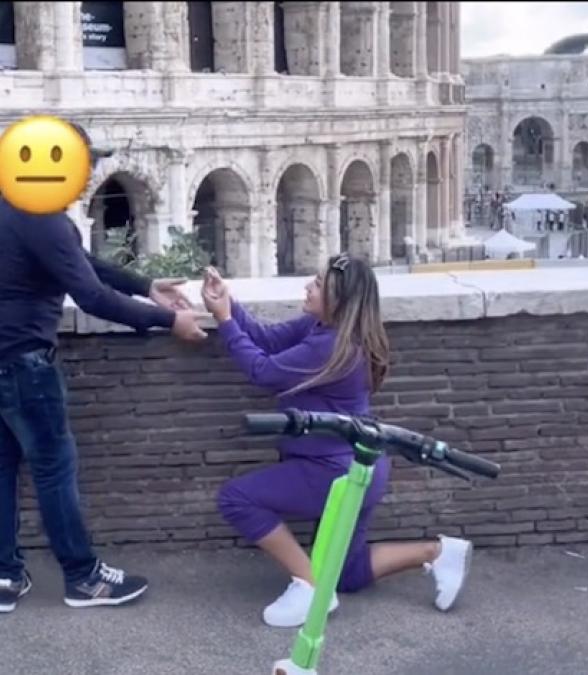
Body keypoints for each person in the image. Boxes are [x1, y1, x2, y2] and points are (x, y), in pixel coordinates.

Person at [0, 125, 210, 614]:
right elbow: (90, 294)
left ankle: (5, 577)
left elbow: (78, 262)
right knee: (54, 470)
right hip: (25, 367)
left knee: (3, 469)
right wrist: (168, 320)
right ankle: (84, 578)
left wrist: (145, 284)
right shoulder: (40, 216)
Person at [205, 257, 473, 628]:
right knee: (347, 573)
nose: (308, 288)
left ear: (338, 301)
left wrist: (223, 322)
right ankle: (438, 552)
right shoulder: (325, 327)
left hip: (334, 472)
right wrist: (229, 304)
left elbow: (263, 372)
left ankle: (309, 587)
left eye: (317, 285)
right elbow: (266, 341)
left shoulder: (332, 345)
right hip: (362, 469)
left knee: (237, 498)